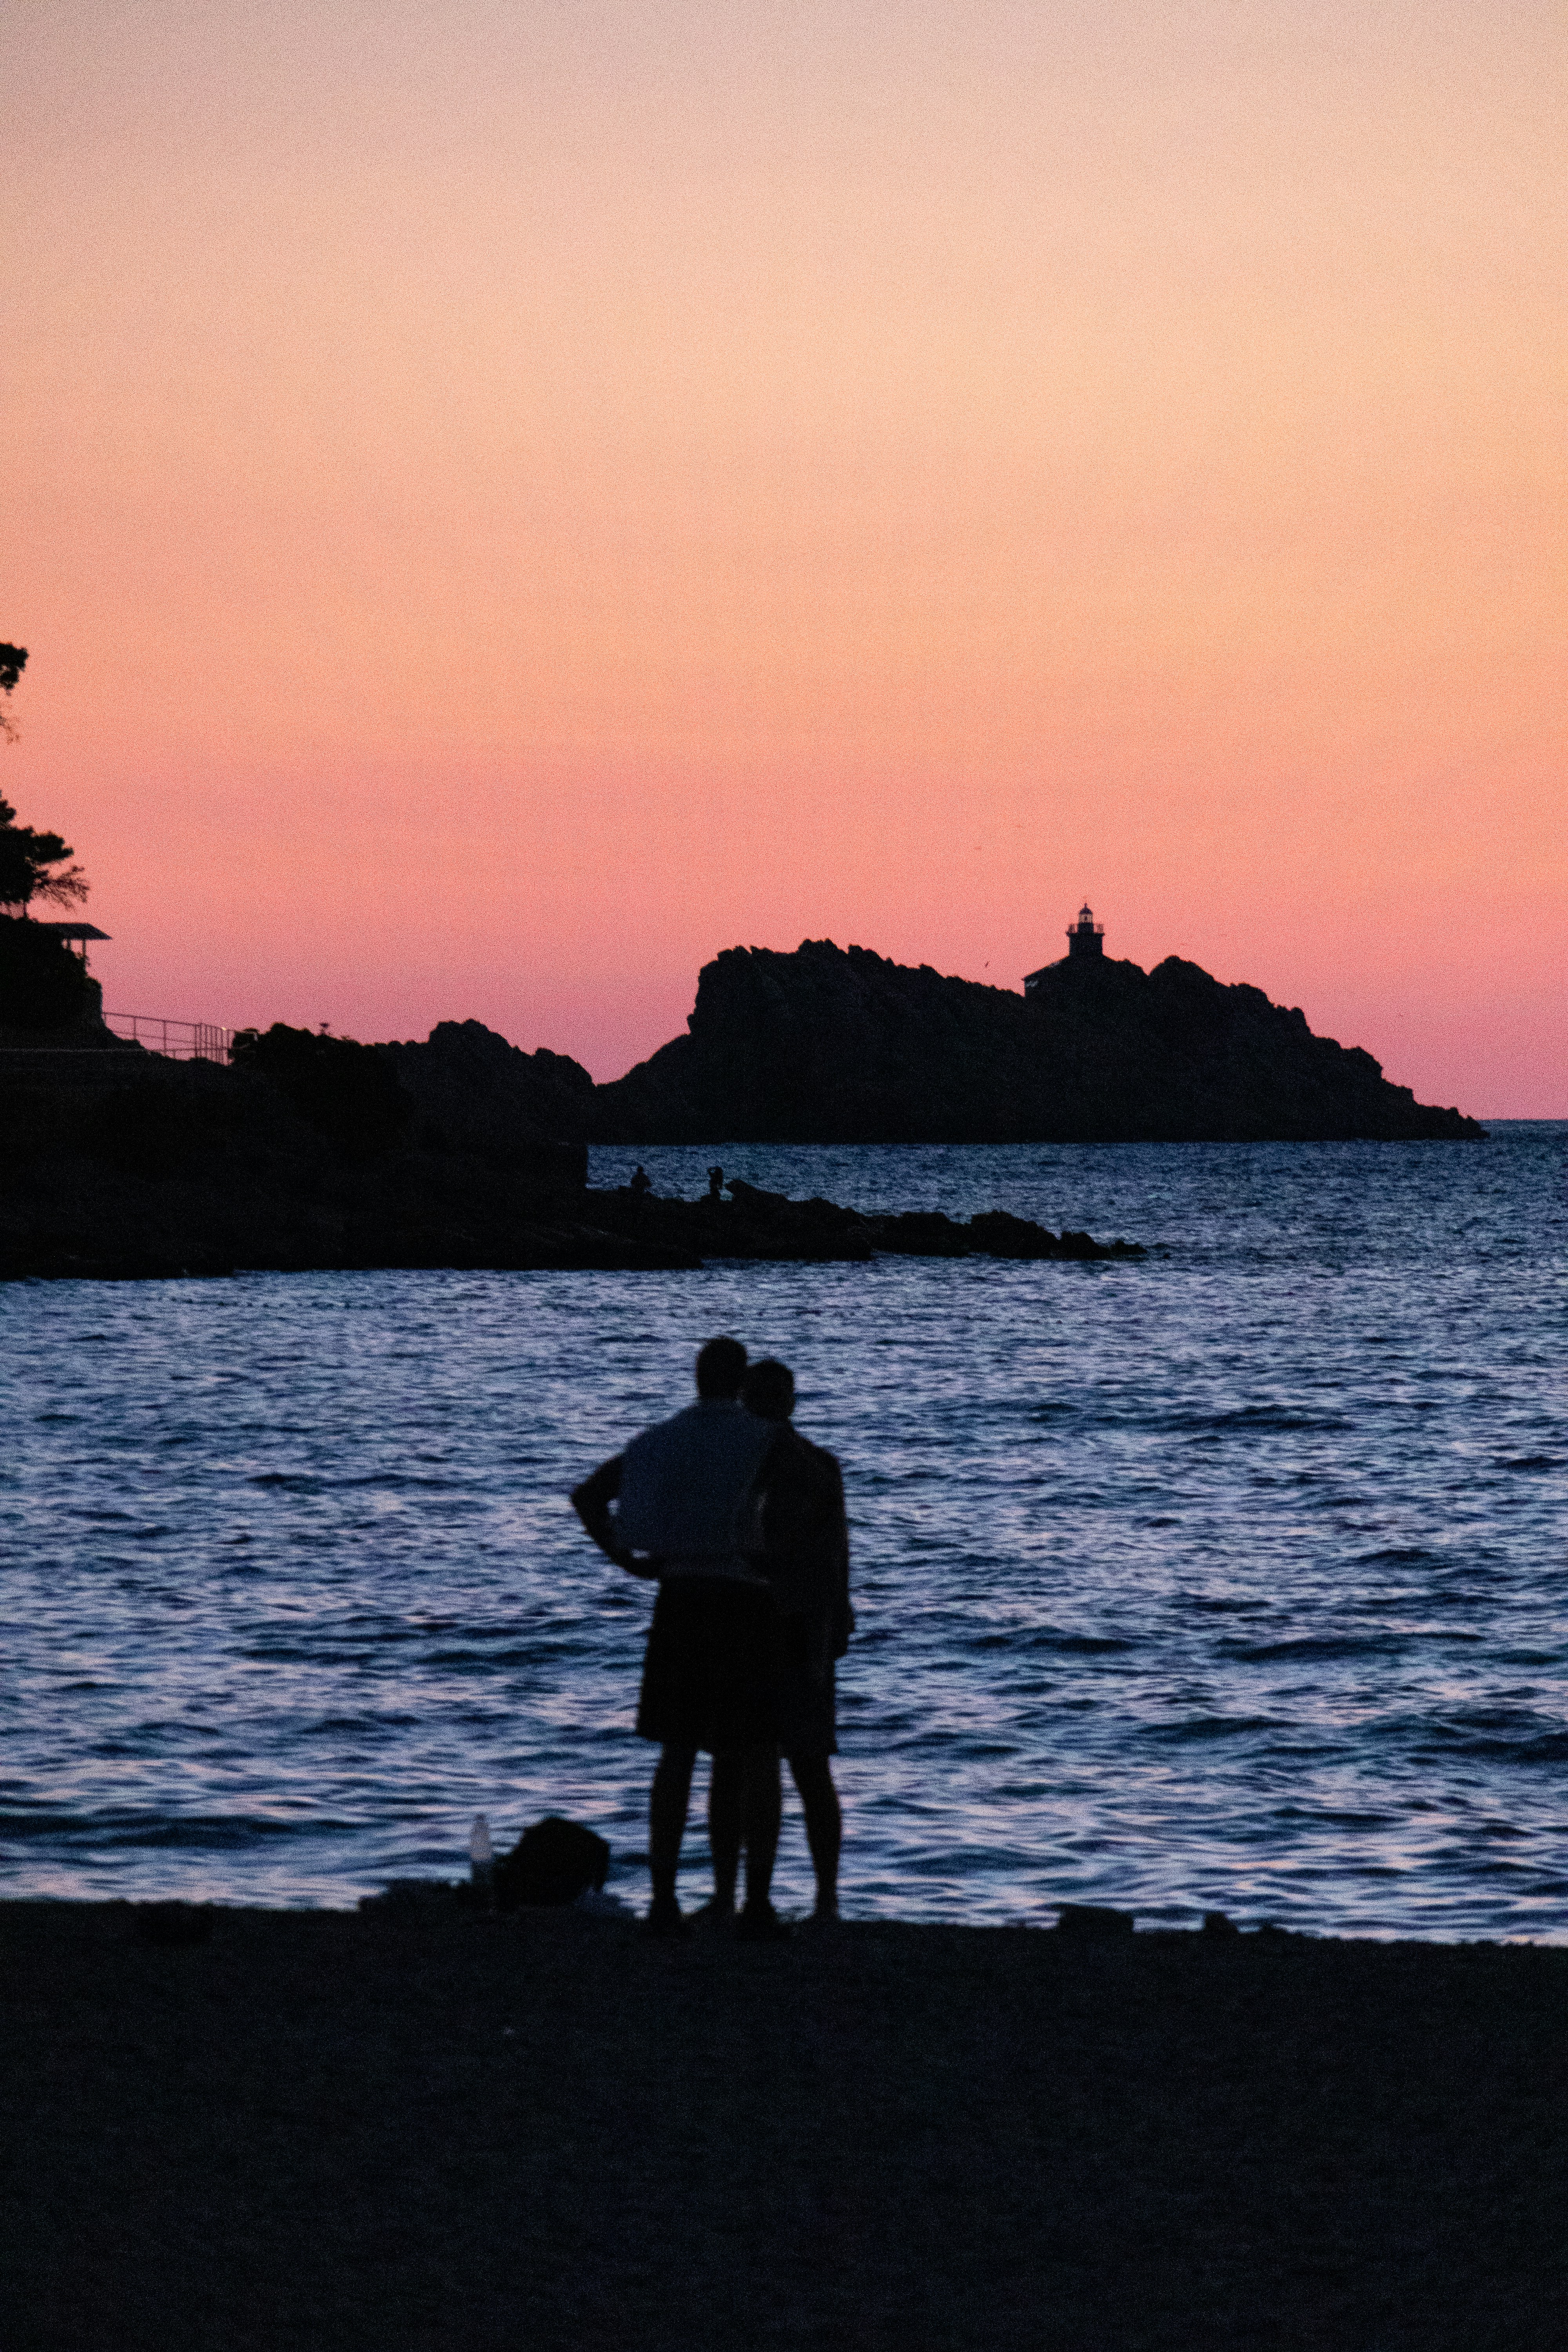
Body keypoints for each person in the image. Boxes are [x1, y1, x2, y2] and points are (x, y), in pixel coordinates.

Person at [570, 1336, 790, 1940]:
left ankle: (665, 1900)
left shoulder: (658, 1441)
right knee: (754, 1754)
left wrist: (626, 1559)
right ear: (742, 1382)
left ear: (696, 1378)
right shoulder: (765, 1440)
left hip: (681, 1596)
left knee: (677, 1753)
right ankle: (754, 1903)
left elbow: (589, 1496)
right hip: (745, 1598)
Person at [711, 1357, 851, 1926]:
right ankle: (818, 1900)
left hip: (771, 1622)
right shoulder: (816, 1466)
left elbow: (828, 1559)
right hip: (793, 1623)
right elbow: (834, 1561)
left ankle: (738, 1896)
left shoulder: (737, 1466)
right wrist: (834, 1623)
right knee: (799, 1765)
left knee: (746, 1763)